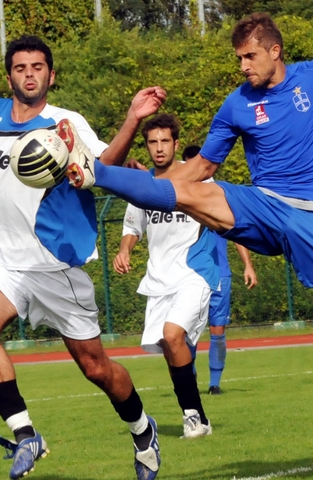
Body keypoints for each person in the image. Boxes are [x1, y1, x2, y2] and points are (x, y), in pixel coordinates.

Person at [66, 9, 313, 418]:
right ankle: (94, 173)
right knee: (190, 193)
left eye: (250, 57)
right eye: (239, 59)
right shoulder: (237, 104)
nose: (243, 67)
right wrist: (160, 185)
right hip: (265, 206)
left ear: (274, 51)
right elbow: (203, 168)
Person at [0, 35, 164, 480]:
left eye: (38, 67)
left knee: (96, 368)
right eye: (21, 67)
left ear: (51, 74)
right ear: (9, 76)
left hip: (56, 265)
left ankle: (143, 430)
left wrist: (131, 119)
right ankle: (26, 434)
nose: (30, 74)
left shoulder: (65, 123)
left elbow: (105, 165)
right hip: (0, 263)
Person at [113, 114, 216, 438]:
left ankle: (192, 418)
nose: (159, 148)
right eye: (152, 142)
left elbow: (222, 214)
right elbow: (133, 226)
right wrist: (125, 249)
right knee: (170, 346)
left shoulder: (198, 179)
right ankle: (196, 415)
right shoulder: (143, 187)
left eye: (164, 141)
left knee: (173, 336)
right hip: (158, 281)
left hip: (194, 273)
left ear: (175, 143)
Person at [182, 145, 258, 395]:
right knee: (188, 331)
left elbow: (236, 232)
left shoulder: (219, 193)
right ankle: (188, 380)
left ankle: (215, 384)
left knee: (217, 330)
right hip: (189, 275)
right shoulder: (178, 195)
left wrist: (247, 264)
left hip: (219, 274)